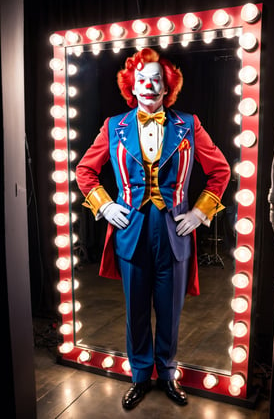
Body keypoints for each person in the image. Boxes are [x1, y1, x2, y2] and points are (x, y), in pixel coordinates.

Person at [76, 47, 231, 410]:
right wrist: (105, 204)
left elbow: (220, 170)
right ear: (132, 84)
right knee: (136, 313)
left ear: (167, 87)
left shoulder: (188, 125)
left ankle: (168, 373)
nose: (148, 85)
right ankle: (140, 377)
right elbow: (85, 170)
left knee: (170, 311)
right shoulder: (114, 126)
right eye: (141, 79)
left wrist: (199, 213)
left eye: (156, 79)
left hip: (174, 232)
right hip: (131, 230)